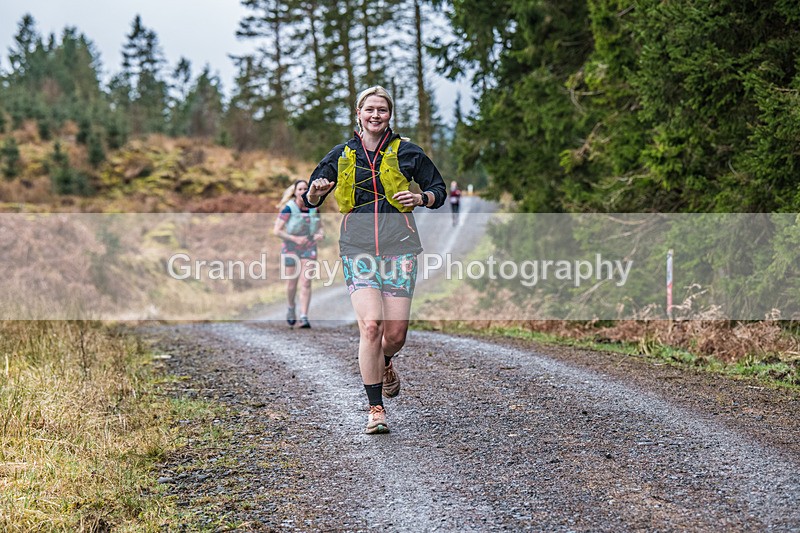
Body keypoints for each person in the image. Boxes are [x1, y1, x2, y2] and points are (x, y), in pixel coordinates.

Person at [303, 86, 446, 434]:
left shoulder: (409, 152)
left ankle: (385, 361)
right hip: (358, 249)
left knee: (394, 335)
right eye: (370, 109)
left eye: (382, 110)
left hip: (401, 248)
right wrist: (315, 192)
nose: (376, 115)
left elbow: (438, 191)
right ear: (358, 114)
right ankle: (375, 409)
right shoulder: (340, 155)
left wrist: (421, 197)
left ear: (389, 115)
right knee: (372, 326)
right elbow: (310, 197)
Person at [274, 180, 323, 328]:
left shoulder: (314, 208)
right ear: (295, 192)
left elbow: (320, 228)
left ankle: (304, 316)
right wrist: (294, 238)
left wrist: (320, 235)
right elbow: (277, 230)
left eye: (305, 189)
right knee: (291, 284)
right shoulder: (288, 209)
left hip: (309, 247)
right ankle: (291, 307)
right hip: (291, 247)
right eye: (300, 189)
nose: (303, 191)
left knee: (306, 281)